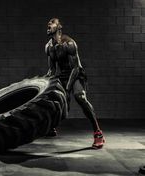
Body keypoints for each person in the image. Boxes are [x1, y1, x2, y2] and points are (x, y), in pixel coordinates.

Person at [45, 18, 105, 149]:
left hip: (77, 74)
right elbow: (52, 69)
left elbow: (76, 68)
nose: (49, 24)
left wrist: (67, 88)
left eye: (52, 22)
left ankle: (98, 133)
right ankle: (51, 127)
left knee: (80, 97)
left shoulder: (69, 43)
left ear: (59, 27)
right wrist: (46, 84)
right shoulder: (49, 47)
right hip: (63, 76)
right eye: (48, 23)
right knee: (53, 98)